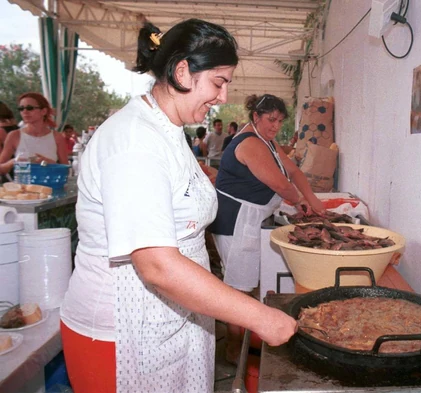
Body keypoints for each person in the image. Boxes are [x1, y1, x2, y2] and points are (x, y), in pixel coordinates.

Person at [59, 19, 296, 393]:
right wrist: (260, 317)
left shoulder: (167, 130)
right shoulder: (134, 140)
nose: (222, 97)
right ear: (183, 70)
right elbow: (156, 265)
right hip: (119, 332)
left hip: (167, 318)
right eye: (219, 82)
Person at [208, 93, 325, 362]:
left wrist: (313, 200)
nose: (275, 126)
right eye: (271, 120)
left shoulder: (266, 140)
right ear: (256, 117)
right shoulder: (250, 144)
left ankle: (244, 340)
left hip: (250, 218)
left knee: (245, 283)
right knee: (238, 287)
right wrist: (300, 202)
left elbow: (293, 172)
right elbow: (282, 185)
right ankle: (234, 348)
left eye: (280, 121)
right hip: (236, 220)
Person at [0, 93, 69, 175]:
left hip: (50, 186)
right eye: (21, 108)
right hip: (23, 186)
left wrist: (50, 163)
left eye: (30, 108)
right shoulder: (14, 135)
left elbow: (66, 170)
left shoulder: (57, 137)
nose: (25, 111)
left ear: (43, 111)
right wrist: (13, 162)